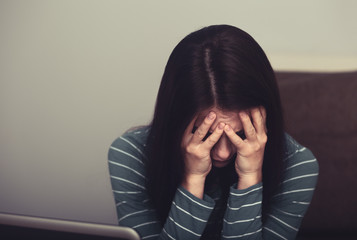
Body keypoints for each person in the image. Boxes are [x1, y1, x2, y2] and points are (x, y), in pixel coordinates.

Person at [108, 25, 319, 239]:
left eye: (240, 135)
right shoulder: (130, 154)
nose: (223, 153)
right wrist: (193, 179)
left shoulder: (298, 165)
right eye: (207, 135)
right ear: (175, 119)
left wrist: (250, 177)